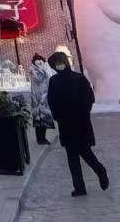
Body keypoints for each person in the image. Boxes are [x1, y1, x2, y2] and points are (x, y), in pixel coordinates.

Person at [45, 50, 109, 197]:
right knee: (72, 157)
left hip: (80, 122)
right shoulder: (54, 81)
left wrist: (83, 113)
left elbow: (89, 98)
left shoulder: (79, 78)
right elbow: (51, 101)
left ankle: (99, 170)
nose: (58, 66)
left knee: (84, 152)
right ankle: (79, 187)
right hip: (66, 123)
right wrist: (58, 116)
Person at [28, 53, 55, 145]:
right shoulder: (37, 70)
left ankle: (41, 138)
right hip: (41, 98)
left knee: (40, 119)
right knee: (41, 119)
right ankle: (41, 139)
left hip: (40, 98)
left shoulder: (34, 70)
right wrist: (43, 68)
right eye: (38, 63)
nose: (40, 64)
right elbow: (39, 78)